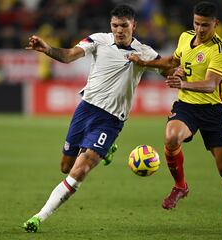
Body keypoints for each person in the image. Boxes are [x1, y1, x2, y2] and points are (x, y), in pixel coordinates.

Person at [23, 5, 161, 232]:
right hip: (85, 109)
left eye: (124, 26)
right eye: (115, 25)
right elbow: (68, 56)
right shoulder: (98, 40)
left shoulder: (144, 52)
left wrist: (167, 70)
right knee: (65, 166)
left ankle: (39, 217)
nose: (119, 30)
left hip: (111, 119)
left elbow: (166, 66)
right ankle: (107, 149)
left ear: (133, 26)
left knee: (79, 171)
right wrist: (47, 49)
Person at [128, 1, 222, 232]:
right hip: (186, 106)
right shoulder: (185, 37)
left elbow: (212, 84)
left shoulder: (220, 49)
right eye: (196, 23)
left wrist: (182, 82)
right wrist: (143, 62)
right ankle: (180, 186)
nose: (200, 29)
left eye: (205, 25)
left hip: (213, 112)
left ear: (215, 24)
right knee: (171, 137)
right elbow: (173, 61)